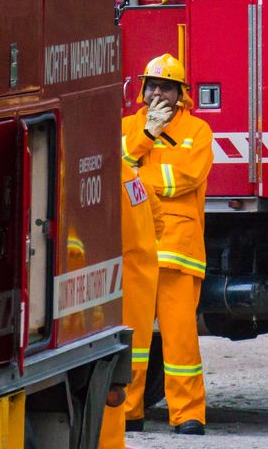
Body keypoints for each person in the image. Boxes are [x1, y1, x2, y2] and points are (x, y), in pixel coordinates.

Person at [120, 53, 214, 435]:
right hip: (136, 245)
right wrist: (146, 137)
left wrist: (141, 179)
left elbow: (188, 177)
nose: (158, 91)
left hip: (179, 248)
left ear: (181, 94)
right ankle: (128, 410)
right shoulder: (128, 126)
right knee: (133, 335)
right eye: (153, 85)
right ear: (143, 90)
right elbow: (118, 165)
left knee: (181, 339)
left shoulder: (199, 130)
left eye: (167, 86)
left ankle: (188, 413)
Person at [99, 162, 161, 447]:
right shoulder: (130, 175)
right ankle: (130, 417)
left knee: (110, 363)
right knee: (130, 360)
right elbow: (158, 219)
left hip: (123, 284)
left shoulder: (107, 177)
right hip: (142, 279)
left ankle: (126, 421)